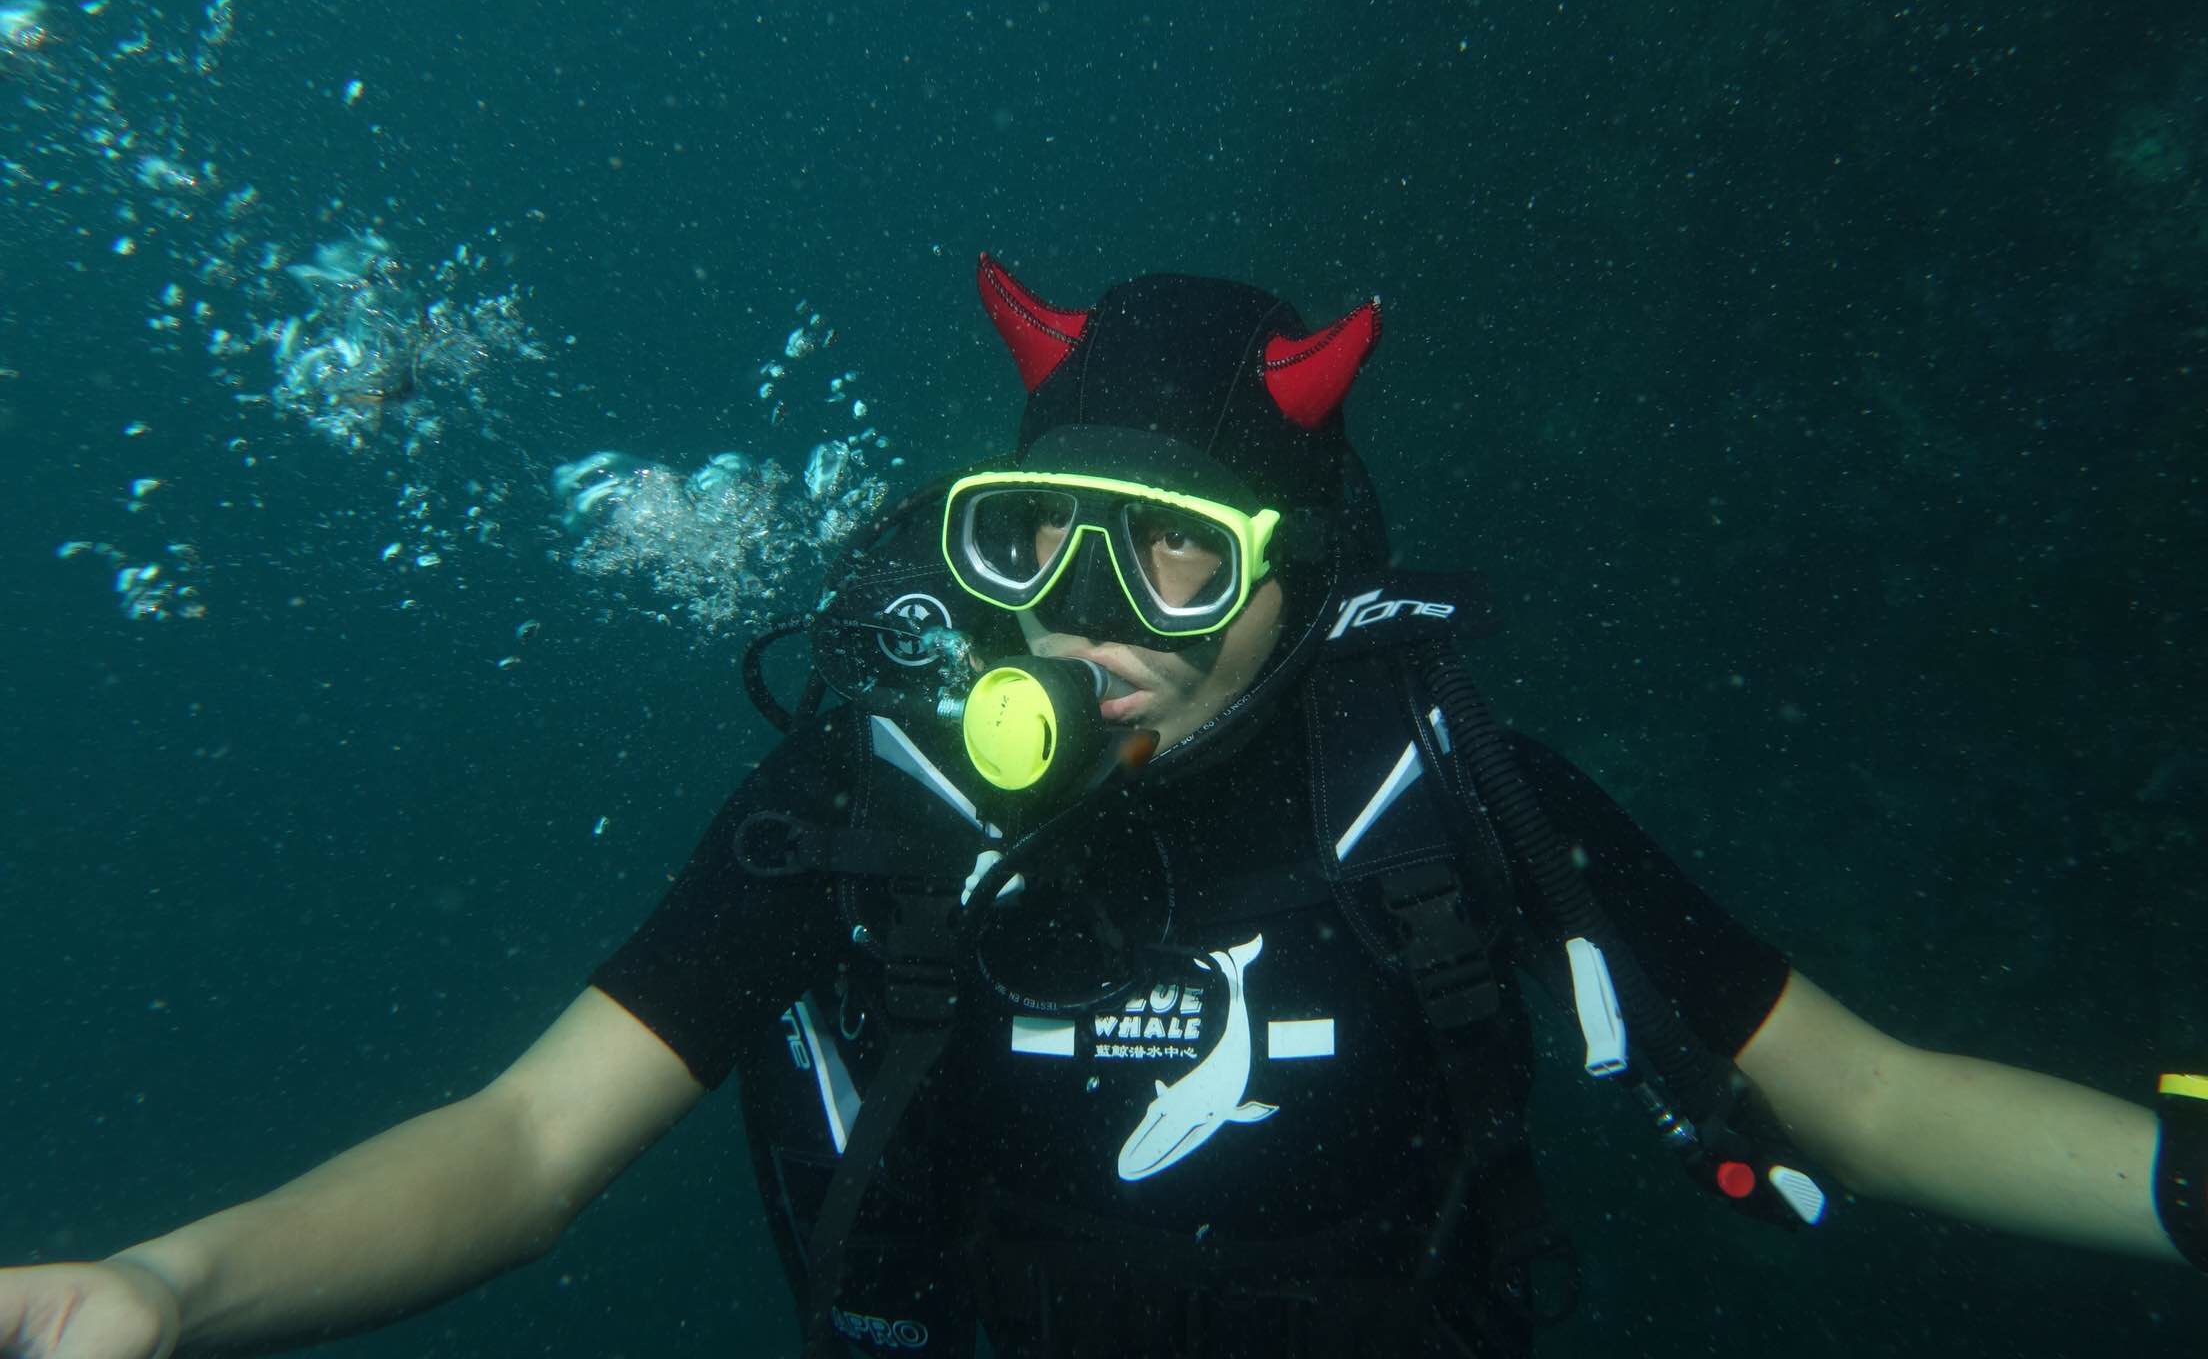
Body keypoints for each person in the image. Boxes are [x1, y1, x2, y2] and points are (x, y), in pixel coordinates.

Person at [3, 255, 2202, 1359]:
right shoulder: (868, 798)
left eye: (1176, 561)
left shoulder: (1450, 791)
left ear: (1303, 585)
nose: (1087, 619)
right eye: (1033, 539)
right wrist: (174, 1284)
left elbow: (1873, 1100)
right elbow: (518, 1147)